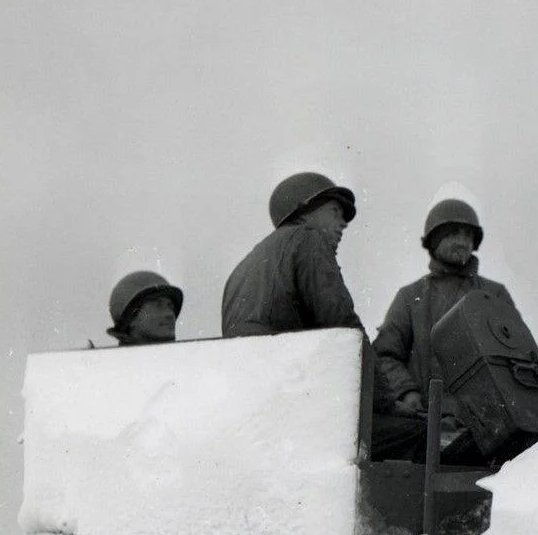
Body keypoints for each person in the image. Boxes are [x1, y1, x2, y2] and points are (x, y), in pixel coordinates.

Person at [369, 199, 518, 460]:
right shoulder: (410, 297)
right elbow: (384, 354)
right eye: (451, 234)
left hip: (485, 429)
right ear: (433, 241)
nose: (461, 241)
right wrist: (407, 391)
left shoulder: (494, 294)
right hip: (425, 425)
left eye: (467, 234)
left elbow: (515, 355)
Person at [221, 172, 364, 338]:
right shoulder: (309, 238)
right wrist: (373, 361)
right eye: (334, 211)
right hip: (287, 358)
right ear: (304, 210)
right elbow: (339, 321)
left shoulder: (242, 268)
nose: (344, 224)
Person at [105, 271, 182, 346]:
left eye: (170, 306)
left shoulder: (184, 357)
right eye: (158, 305)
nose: (170, 314)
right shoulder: (114, 359)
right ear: (131, 318)